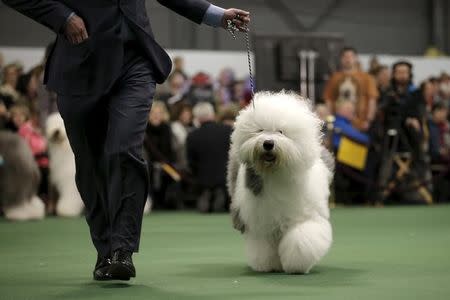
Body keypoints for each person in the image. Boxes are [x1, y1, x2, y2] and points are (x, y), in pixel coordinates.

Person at [3, 0, 250, 281]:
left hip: (135, 62)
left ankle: (122, 250)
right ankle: (104, 248)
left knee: (124, 151)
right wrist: (63, 16)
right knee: (90, 164)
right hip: (79, 65)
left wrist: (217, 16)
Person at [186, 102, 232, 213]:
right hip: (226, 176)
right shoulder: (229, 130)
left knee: (204, 181)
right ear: (213, 115)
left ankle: (207, 192)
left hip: (203, 178)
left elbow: (191, 162)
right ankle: (221, 193)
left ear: (197, 118)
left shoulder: (192, 135)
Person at [323, 47, 379, 131]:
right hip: (338, 122)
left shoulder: (367, 78)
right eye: (345, 57)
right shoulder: (334, 77)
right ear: (341, 59)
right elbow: (329, 100)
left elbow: (372, 100)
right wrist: (330, 119)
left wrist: (368, 120)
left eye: (351, 57)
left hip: (359, 122)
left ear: (356, 58)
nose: (348, 59)